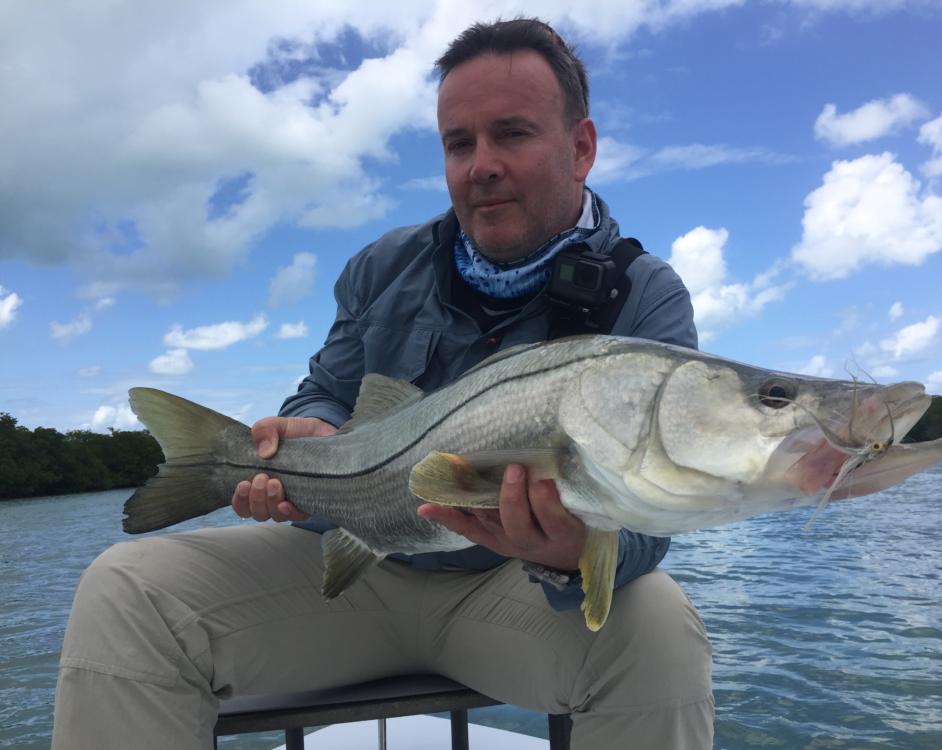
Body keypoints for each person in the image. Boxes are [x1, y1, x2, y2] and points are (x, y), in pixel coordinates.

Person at [53, 18, 714, 749]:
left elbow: (652, 521)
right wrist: (312, 428)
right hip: (356, 572)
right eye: (459, 143)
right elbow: (326, 388)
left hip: (516, 593)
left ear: (581, 147)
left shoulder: (644, 295)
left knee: (660, 633)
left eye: (512, 134)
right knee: (128, 593)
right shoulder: (382, 266)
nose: (482, 165)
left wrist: (567, 551)